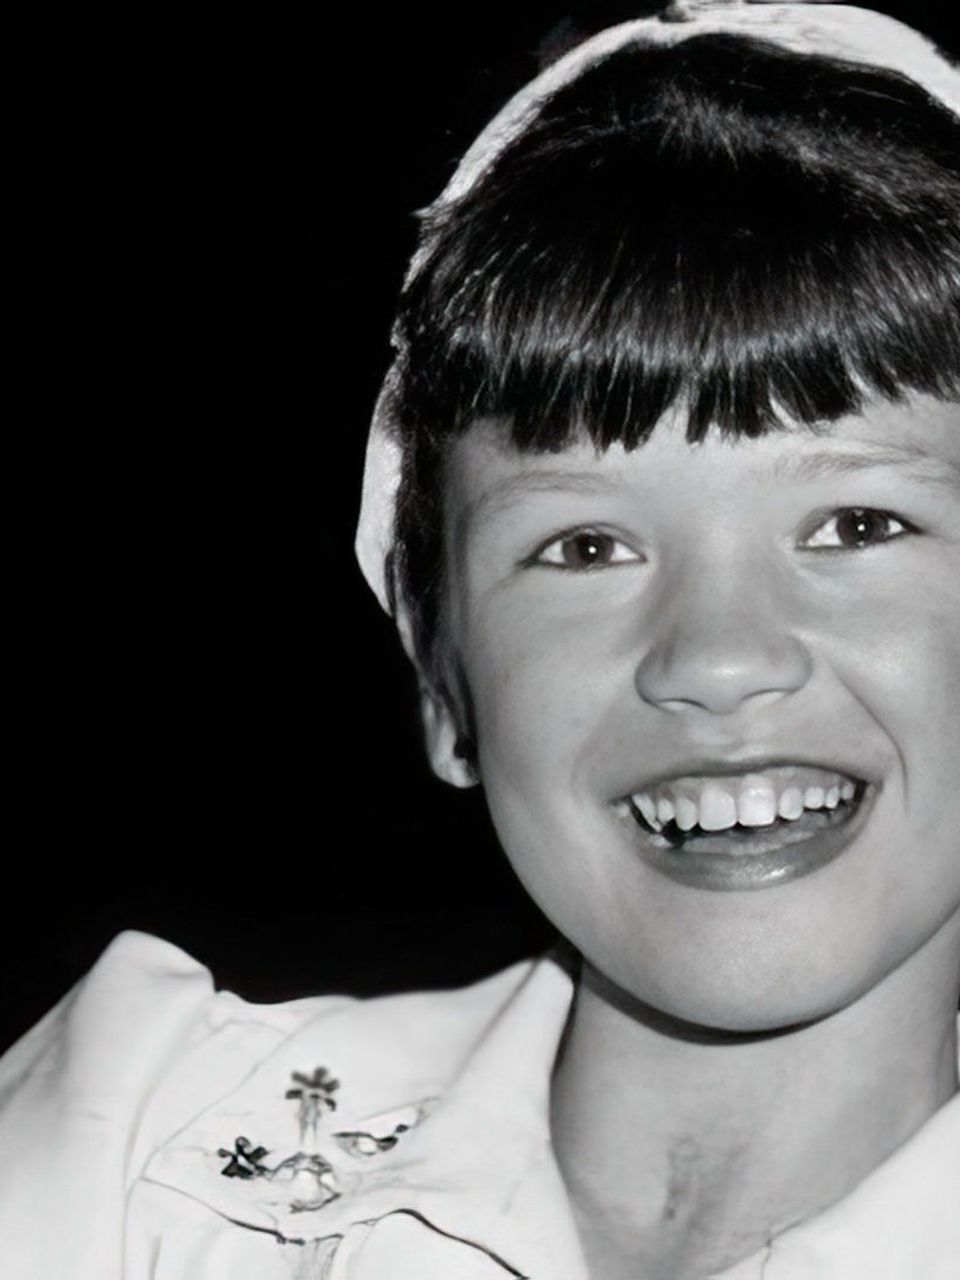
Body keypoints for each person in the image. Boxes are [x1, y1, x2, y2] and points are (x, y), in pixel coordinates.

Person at [2, 2, 960, 1276]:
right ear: (442, 675)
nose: (718, 658)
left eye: (857, 524)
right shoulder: (133, 1159)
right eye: (585, 547)